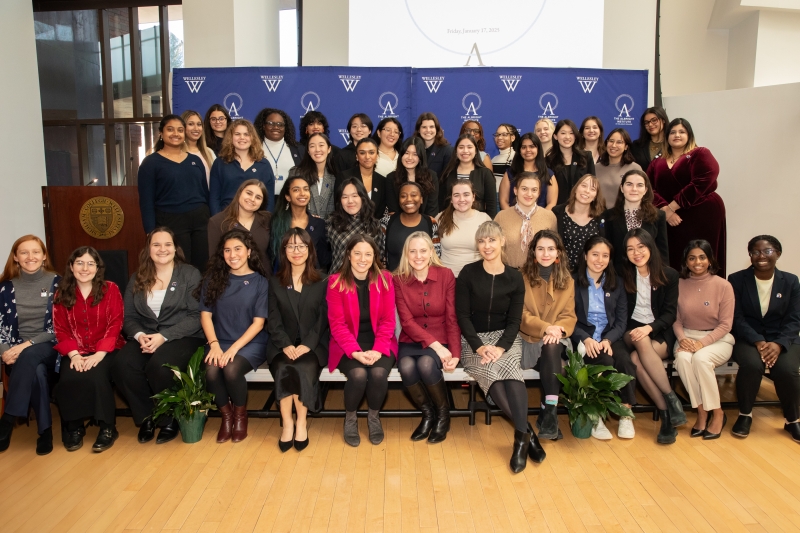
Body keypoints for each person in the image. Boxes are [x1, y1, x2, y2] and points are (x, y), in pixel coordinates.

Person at [456, 221, 546, 473]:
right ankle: (528, 435)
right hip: (473, 340)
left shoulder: (514, 277)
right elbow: (462, 316)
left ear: (502, 241)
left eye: (492, 240)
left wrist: (500, 348)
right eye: (482, 241)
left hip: (505, 340)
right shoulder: (467, 273)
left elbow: (515, 321)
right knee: (492, 375)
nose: (487, 246)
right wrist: (479, 347)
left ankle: (520, 441)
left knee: (510, 374)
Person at [113, 228, 205, 445]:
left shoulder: (189, 274)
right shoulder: (138, 277)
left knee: (160, 365)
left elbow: (196, 315)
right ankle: (147, 417)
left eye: (167, 244)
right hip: (146, 336)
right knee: (122, 364)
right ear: (148, 249)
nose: (162, 249)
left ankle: (169, 418)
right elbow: (128, 316)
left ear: (175, 248)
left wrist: (163, 336)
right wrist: (139, 335)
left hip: (184, 335)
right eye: (156, 245)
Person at [197, 230, 269, 444]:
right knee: (210, 371)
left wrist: (233, 349)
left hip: (250, 343)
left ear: (248, 252)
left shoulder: (260, 282)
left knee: (231, 369)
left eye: (237, 249)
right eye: (227, 250)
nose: (232, 254)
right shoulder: (213, 279)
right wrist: (215, 345)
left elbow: (259, 323)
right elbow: (205, 316)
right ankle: (226, 417)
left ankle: (240, 416)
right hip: (219, 341)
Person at [327, 235, 398, 447]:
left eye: (368, 254)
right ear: (348, 255)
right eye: (357, 253)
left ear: (375, 256)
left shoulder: (385, 279)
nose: (362, 259)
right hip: (346, 344)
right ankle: (350, 418)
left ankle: (373, 417)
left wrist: (378, 349)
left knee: (377, 373)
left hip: (380, 341)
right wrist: (355, 352)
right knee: (358, 375)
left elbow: (387, 320)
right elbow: (337, 325)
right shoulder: (335, 282)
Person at [53, 247, 125, 453]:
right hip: (75, 351)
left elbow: (116, 323)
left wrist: (99, 354)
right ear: (71, 267)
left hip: (107, 349)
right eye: (79, 263)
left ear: (97, 268)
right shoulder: (62, 293)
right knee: (68, 377)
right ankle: (74, 428)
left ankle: (107, 428)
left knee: (96, 376)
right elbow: (61, 328)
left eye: (90, 264)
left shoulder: (110, 289)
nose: (85, 268)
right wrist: (74, 355)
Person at [729, 235, 800, 442]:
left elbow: (795, 319)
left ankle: (792, 420)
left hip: (783, 338)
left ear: (777, 253)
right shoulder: (736, 279)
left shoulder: (791, 281)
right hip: (748, 337)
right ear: (750, 255)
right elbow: (736, 317)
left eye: (767, 251)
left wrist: (778, 344)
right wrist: (758, 340)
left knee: (786, 369)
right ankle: (745, 415)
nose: (761, 256)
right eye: (756, 252)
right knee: (752, 365)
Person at [394, 232, 460, 443]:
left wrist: (454, 353)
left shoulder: (446, 275)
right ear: (406, 254)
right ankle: (428, 414)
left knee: (425, 364)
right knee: (405, 366)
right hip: (410, 338)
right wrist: (435, 347)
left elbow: (451, 317)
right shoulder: (399, 280)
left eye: (423, 250)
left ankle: (443, 415)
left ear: (431, 252)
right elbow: (406, 322)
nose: (418, 256)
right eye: (412, 251)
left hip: (441, 335)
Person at [267, 228, 329, 452]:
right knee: (284, 367)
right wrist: (285, 344)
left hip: (313, 344)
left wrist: (307, 344)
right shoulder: (274, 282)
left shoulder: (323, 280)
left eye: (301, 246)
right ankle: (287, 423)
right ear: (284, 250)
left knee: (302, 369)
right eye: (291, 246)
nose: (296, 251)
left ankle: (301, 422)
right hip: (280, 345)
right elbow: (272, 319)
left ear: (309, 250)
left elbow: (323, 319)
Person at [621, 229, 684, 444]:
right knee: (638, 339)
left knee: (636, 360)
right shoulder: (623, 274)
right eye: (630, 249)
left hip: (658, 331)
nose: (636, 252)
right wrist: (641, 330)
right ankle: (672, 397)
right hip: (631, 331)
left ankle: (666, 414)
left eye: (641, 247)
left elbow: (669, 314)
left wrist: (649, 328)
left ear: (650, 247)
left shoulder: (669, 275)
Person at [571, 236, 636, 439]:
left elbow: (621, 321)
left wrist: (608, 340)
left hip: (610, 336)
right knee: (605, 361)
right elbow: (567, 317)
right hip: (584, 338)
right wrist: (586, 339)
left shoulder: (617, 283)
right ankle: (596, 416)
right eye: (595, 254)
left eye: (605, 255)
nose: (599, 260)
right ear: (585, 255)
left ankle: (626, 414)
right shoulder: (572, 281)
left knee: (625, 361)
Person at [0, 236, 60, 455]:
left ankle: (6, 420)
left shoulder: (58, 283)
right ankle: (45, 432)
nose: (30, 257)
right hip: (15, 353)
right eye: (24, 252)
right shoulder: (4, 288)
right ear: (15, 257)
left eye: (36, 252)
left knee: (31, 355)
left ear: (44, 256)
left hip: (50, 346)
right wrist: (4, 351)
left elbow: (59, 327)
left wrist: (25, 345)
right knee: (37, 371)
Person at [647, 118, 727, 275]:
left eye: (682, 132)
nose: (677, 135)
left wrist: (672, 207)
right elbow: (648, 188)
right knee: (676, 258)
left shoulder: (700, 153)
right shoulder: (657, 162)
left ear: (689, 135)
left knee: (702, 256)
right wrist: (665, 210)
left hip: (702, 213)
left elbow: (703, 180)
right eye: (673, 132)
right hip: (670, 219)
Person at [673, 240, 734, 440]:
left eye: (702, 257)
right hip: (686, 337)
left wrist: (702, 344)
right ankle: (701, 412)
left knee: (700, 359)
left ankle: (717, 413)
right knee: (682, 360)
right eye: (692, 258)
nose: (697, 262)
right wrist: (682, 339)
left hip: (717, 339)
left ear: (709, 260)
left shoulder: (723, 285)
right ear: (686, 261)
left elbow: (725, 324)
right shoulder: (678, 284)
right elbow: (675, 320)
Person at [518, 230, 576, 441]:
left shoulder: (567, 280)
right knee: (558, 364)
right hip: (530, 340)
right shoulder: (521, 277)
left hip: (558, 339)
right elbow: (520, 315)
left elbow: (569, 315)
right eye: (541, 248)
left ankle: (549, 414)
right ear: (533, 252)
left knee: (553, 347)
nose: (546, 253)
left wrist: (557, 330)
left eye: (551, 249)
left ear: (558, 252)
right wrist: (545, 328)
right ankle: (547, 413)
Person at [137, 114, 210, 271]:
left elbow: (205, 192)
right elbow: (146, 201)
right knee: (179, 267)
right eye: (170, 129)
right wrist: (150, 231)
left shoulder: (195, 160)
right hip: (170, 221)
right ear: (161, 133)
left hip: (200, 220)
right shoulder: (150, 163)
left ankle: (201, 296)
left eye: (180, 130)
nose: (176, 134)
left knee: (202, 266)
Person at [604, 169, 668, 272]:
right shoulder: (608, 216)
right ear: (621, 188)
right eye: (629, 184)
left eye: (639, 185)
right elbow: (607, 250)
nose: (634, 189)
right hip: (619, 276)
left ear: (645, 190)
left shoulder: (658, 216)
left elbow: (662, 252)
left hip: (650, 275)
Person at [209, 119, 275, 215]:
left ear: (252, 138)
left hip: (256, 221)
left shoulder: (264, 165)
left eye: (246, 134)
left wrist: (265, 221)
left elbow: (269, 200)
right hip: (226, 219)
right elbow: (214, 198)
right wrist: (218, 221)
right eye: (237, 134)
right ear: (230, 137)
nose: (242, 138)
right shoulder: (220, 163)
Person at [493, 172, 557, 268]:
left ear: (539, 193)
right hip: (510, 275)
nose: (529, 194)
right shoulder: (501, 217)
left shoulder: (549, 217)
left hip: (539, 275)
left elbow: (554, 249)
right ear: (515, 190)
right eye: (524, 189)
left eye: (534, 190)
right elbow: (494, 249)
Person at [270, 176, 330, 271]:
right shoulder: (276, 222)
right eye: (296, 190)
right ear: (288, 197)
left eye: (306, 189)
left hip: (311, 280)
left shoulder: (319, 224)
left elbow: (323, 259)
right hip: (282, 278)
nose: (302, 193)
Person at [208, 179, 272, 268]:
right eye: (249, 193)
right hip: (229, 279)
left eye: (258, 197)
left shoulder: (268, 219)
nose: (252, 199)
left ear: (262, 202)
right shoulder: (217, 222)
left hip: (263, 278)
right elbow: (214, 260)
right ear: (239, 193)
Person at [327, 178, 385, 273]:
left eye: (354, 196)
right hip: (337, 282)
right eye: (344, 197)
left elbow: (379, 257)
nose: (350, 201)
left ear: (363, 197)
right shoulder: (332, 223)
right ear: (339, 201)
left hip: (366, 282)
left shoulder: (374, 224)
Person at [552, 174, 606, 271]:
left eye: (592, 189)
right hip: (562, 272)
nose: (587, 191)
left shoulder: (601, 217)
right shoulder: (557, 212)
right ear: (576, 189)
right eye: (584, 186)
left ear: (595, 196)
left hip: (589, 273)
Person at [436, 181, 492, 277]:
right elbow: (433, 251)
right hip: (446, 278)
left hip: (476, 277)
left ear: (473, 197)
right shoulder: (440, 218)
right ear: (451, 199)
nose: (461, 199)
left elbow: (492, 251)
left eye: (466, 195)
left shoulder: (484, 219)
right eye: (456, 195)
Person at [381, 182, 440, 271]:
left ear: (421, 199)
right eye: (403, 196)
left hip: (423, 282)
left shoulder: (431, 223)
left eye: (413, 195)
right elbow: (380, 256)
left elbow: (436, 256)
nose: (408, 199)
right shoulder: (387, 221)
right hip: (393, 281)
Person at [438, 134, 497, 217]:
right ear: (456, 151)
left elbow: (492, 206)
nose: (465, 151)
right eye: (461, 147)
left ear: (476, 151)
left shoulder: (485, 174)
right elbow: (441, 203)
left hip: (478, 225)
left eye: (469, 147)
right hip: (451, 223)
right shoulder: (447, 173)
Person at [499, 132, 557, 211]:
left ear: (538, 149)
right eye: (524, 147)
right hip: (513, 219)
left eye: (532, 146)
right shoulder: (510, 173)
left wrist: (541, 219)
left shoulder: (548, 174)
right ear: (519, 150)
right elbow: (503, 201)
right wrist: (511, 217)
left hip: (541, 220)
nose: (528, 150)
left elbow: (552, 203)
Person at [254, 108, 305, 198]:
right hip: (261, 200)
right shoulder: (253, 148)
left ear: (285, 128)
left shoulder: (298, 149)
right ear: (263, 126)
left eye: (280, 124)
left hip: (289, 202)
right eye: (270, 123)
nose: (276, 127)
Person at [288, 132, 337, 221]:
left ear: (329, 149)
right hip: (300, 226)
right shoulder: (296, 173)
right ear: (308, 151)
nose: (317, 149)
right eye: (312, 146)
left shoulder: (333, 177)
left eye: (321, 145)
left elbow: (333, 210)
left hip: (325, 229)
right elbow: (289, 202)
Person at [546, 119, 596, 205]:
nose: (567, 137)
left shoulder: (586, 157)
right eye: (563, 133)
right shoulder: (548, 161)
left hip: (582, 209)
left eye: (571, 133)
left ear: (575, 136)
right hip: (557, 211)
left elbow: (593, 185)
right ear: (555, 136)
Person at [386, 136, 439, 218]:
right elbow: (393, 211)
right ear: (401, 155)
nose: (410, 158)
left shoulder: (431, 176)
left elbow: (432, 210)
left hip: (425, 224)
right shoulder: (391, 178)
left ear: (420, 158)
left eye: (415, 154)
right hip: (399, 224)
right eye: (406, 153)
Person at [337, 138, 388, 219]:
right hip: (347, 226)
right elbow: (338, 206)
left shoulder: (382, 181)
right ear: (357, 156)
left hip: (373, 227)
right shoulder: (344, 177)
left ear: (377, 156)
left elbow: (380, 211)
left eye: (371, 152)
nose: (367, 157)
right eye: (362, 153)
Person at [595, 128, 642, 208]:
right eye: (611, 141)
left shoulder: (634, 168)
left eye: (619, 142)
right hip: (599, 216)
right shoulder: (596, 167)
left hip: (624, 216)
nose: (613, 145)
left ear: (626, 147)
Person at [181, 109, 216, 183]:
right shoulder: (178, 153)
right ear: (182, 127)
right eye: (191, 124)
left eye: (199, 124)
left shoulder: (209, 152)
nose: (196, 128)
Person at [631, 106, 669, 171]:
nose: (650, 124)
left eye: (654, 120)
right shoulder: (637, 145)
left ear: (663, 120)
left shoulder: (672, 145)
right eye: (646, 122)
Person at [416, 112, 453, 177]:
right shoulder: (414, 149)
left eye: (431, 127)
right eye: (424, 127)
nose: (428, 130)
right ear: (419, 130)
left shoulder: (447, 150)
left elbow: (447, 178)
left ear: (437, 129)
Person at [491, 123, 518, 190]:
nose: (499, 138)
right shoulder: (494, 159)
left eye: (504, 135)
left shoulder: (517, 158)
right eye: (497, 135)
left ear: (512, 138)